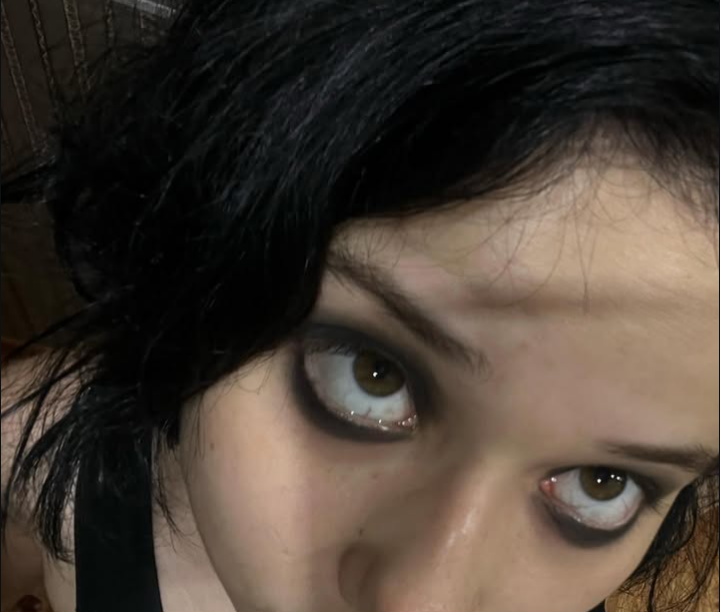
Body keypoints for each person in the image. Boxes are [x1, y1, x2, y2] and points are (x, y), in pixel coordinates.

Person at [1, 1, 718, 611]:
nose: (422, 600)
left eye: (602, 486)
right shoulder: (22, 453)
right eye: (372, 374)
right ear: (199, 251)